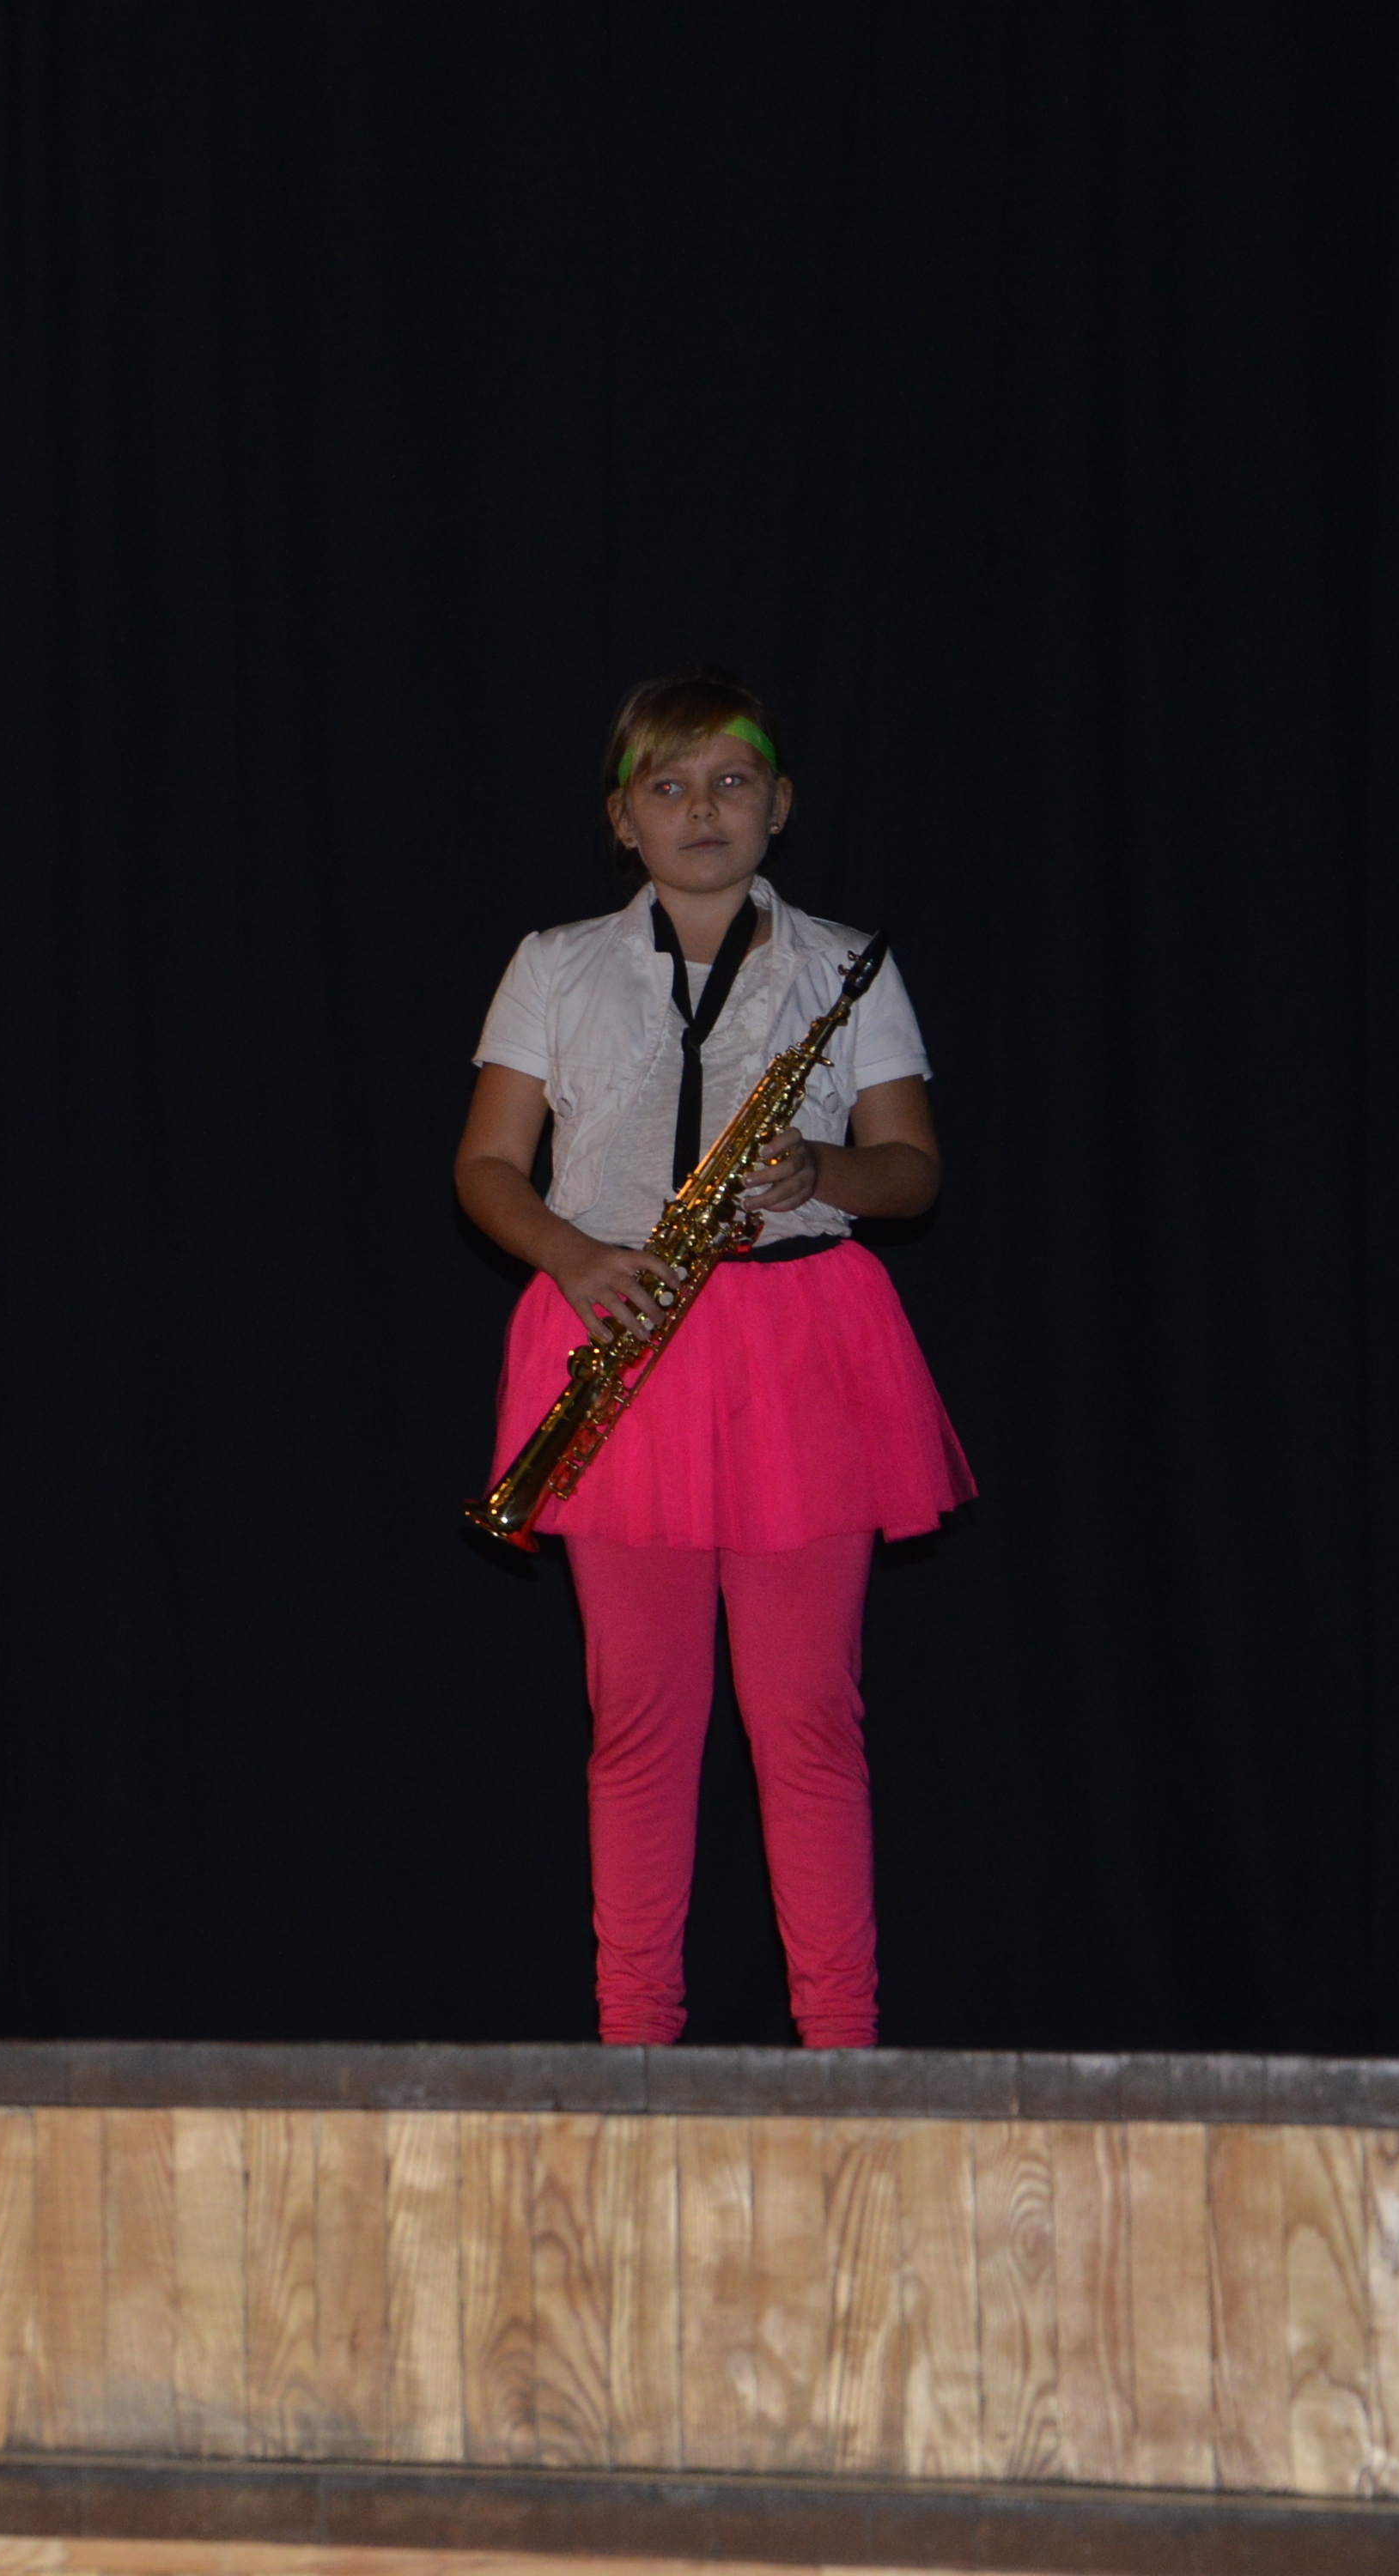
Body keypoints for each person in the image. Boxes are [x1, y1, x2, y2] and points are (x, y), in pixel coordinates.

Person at [453, 675, 971, 2050]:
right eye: (668, 787)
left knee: (809, 1720)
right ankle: (637, 2054)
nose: (703, 810)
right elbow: (487, 1167)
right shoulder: (555, 964)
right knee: (639, 1723)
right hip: (619, 1325)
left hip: (800, 1344)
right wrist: (571, 1255)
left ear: (779, 807)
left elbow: (912, 1172)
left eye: (732, 783)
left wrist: (825, 1170)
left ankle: (842, 2058)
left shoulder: (844, 965)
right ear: (623, 821)